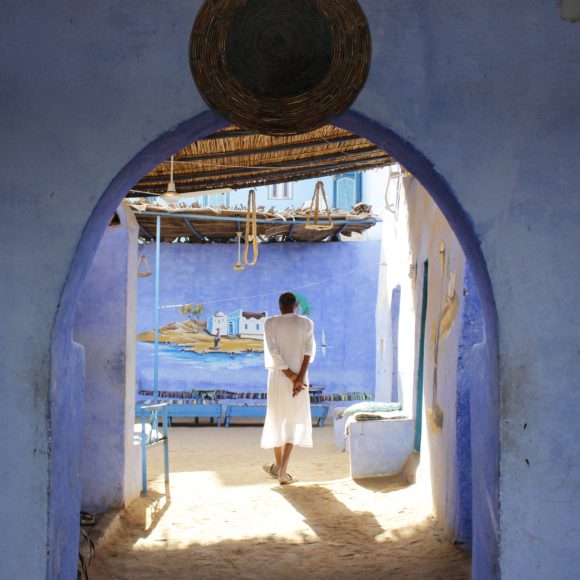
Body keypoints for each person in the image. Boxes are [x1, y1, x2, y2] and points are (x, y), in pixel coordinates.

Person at [261, 292, 316, 484]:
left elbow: (273, 352)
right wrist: (299, 378)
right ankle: (282, 471)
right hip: (299, 381)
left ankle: (279, 469)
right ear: (295, 305)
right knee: (292, 420)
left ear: (280, 305)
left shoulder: (270, 323)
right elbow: (308, 352)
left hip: (278, 377)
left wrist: (290, 375)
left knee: (277, 418)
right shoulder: (306, 323)